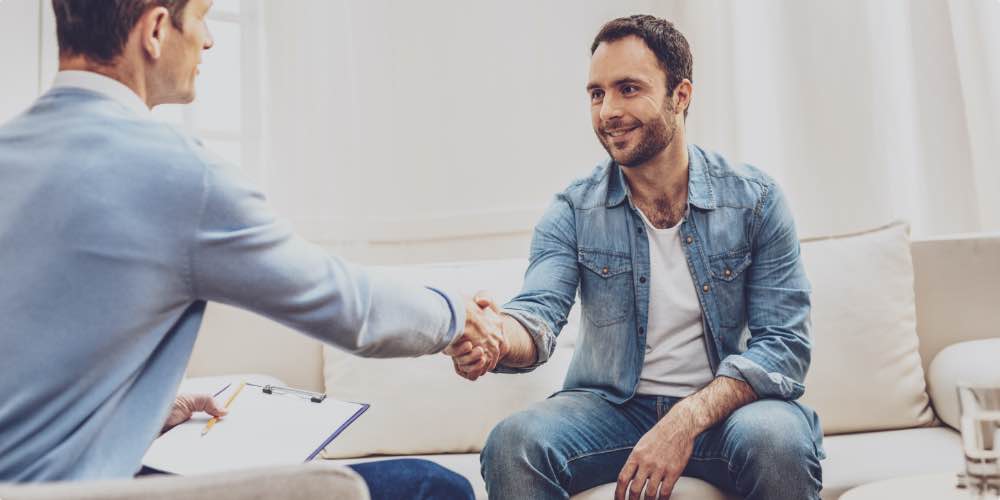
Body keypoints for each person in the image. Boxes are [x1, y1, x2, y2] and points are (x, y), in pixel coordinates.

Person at [0, 1, 504, 497]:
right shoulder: (178, 175)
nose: (210, 38)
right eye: (201, 17)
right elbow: (350, 307)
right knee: (430, 488)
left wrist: (145, 413)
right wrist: (457, 316)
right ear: (155, 31)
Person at [457, 15, 824, 500]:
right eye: (596, 93)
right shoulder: (573, 208)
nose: (608, 110)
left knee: (777, 438)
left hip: (726, 412)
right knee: (514, 443)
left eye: (628, 88)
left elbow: (783, 347)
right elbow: (538, 316)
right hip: (608, 411)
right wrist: (496, 338)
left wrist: (684, 419)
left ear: (681, 95)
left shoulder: (755, 200)